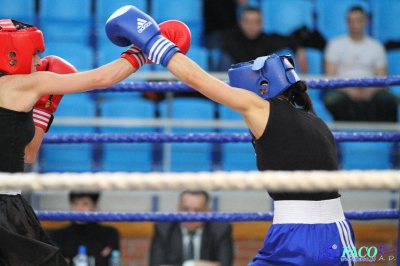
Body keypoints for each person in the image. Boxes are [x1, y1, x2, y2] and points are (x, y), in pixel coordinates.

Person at [105, 5, 356, 265]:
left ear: (265, 85)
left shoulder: (261, 107)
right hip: (336, 231)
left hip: (295, 233)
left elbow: (198, 80)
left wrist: (153, 43)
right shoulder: (317, 122)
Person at [0, 18, 189, 265]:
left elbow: (28, 154)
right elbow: (102, 79)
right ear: (12, 53)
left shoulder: (18, 91)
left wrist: (45, 106)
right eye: (35, 53)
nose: (38, 61)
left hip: (10, 200)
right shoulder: (21, 85)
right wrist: (143, 50)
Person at [323, 6, 398, 122]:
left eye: (358, 20)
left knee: (390, 100)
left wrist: (369, 91)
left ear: (366, 22)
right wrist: (350, 91)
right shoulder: (334, 44)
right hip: (343, 91)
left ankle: (387, 138)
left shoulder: (376, 47)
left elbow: (383, 79)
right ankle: (343, 138)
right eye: (351, 21)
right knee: (332, 100)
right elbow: (330, 77)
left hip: (372, 91)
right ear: (346, 23)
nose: (354, 24)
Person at [149, 190, 234, 266]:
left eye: (197, 211)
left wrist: (191, 264)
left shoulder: (220, 229)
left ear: (208, 211)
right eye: (186, 209)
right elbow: (155, 264)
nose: (190, 216)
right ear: (179, 209)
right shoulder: (164, 229)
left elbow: (225, 264)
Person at [219, 7, 308, 73]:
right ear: (241, 23)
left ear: (262, 23)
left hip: (260, 85)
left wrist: (299, 49)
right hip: (234, 86)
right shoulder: (230, 38)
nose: (251, 26)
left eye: (256, 22)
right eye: (247, 22)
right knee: (225, 58)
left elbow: (290, 40)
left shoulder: (267, 39)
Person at [49, 192, 119, 266]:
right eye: (75, 204)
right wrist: (94, 259)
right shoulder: (58, 235)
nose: (79, 209)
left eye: (85, 204)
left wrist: (72, 261)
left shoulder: (109, 233)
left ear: (95, 206)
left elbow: (109, 262)